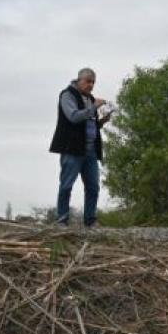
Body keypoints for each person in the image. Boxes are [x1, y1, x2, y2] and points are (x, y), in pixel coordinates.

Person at [49, 68, 111, 228]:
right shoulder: (67, 95)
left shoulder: (90, 99)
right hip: (72, 149)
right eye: (88, 81)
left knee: (93, 186)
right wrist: (94, 107)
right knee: (67, 185)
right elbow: (74, 117)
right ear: (79, 80)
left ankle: (90, 220)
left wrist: (101, 122)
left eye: (93, 82)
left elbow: (89, 124)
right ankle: (62, 220)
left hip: (90, 151)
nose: (91, 85)